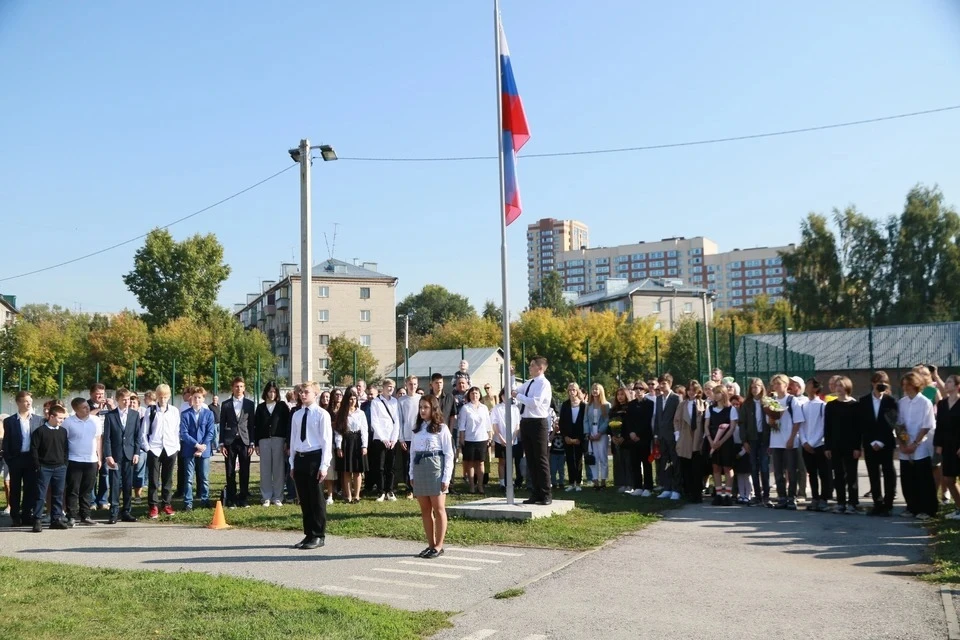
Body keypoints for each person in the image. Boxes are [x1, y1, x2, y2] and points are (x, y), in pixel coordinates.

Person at [289, 381, 333, 550]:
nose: (302, 394)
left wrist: (324, 465)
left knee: (316, 499)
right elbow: (293, 440)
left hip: (314, 457)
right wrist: (292, 462)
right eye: (301, 392)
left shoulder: (322, 414)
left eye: (306, 392)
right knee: (305, 499)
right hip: (300, 458)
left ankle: (318, 534)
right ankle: (308, 533)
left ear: (316, 394)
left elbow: (326, 441)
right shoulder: (297, 415)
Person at [410, 394, 454, 559]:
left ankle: (439, 545)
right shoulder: (417, 429)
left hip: (435, 467)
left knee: (438, 508)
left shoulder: (442, 428)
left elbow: (449, 454)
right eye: (420, 407)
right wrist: (411, 473)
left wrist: (446, 478)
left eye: (425, 407)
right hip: (420, 468)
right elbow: (412, 453)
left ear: (433, 408)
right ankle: (430, 544)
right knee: (425, 509)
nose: (422, 410)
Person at [513, 356, 553, 505]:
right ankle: (535, 492)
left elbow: (535, 403)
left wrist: (518, 396)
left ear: (540, 368)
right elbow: (515, 391)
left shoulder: (544, 384)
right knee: (530, 459)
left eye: (531, 366)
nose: (529, 368)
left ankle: (546, 493)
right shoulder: (529, 383)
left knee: (541, 459)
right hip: (526, 422)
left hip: (538, 423)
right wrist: (511, 377)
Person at [897, 372, 937, 520]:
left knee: (923, 479)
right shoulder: (902, 402)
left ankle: (927, 509)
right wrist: (903, 444)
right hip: (906, 446)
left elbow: (926, 426)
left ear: (915, 385)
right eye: (904, 385)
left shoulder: (925, 402)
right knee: (907, 478)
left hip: (920, 446)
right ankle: (911, 507)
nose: (905, 387)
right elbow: (900, 424)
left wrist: (915, 444)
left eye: (908, 384)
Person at [859, 371, 898, 516]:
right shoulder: (863, 401)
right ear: (872, 383)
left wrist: (881, 441)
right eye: (877, 382)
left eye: (883, 382)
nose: (880, 385)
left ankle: (888, 504)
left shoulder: (891, 400)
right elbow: (862, 424)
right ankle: (877, 503)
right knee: (873, 473)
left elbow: (891, 422)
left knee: (888, 472)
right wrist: (871, 441)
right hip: (870, 444)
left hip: (886, 443)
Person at [2, 391, 44, 526]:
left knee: (30, 488)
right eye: (26, 401)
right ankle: (15, 516)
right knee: (15, 488)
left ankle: (27, 515)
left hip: (31, 458)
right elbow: (7, 441)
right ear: (18, 402)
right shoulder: (10, 421)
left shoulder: (38, 420)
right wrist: (9, 458)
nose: (29, 403)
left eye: (30, 401)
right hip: (16, 458)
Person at [102, 388, 142, 523]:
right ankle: (113, 512)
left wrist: (137, 452)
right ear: (117, 400)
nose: (127, 402)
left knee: (127, 483)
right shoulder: (110, 416)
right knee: (114, 484)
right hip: (115, 455)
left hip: (129, 454)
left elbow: (138, 436)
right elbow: (106, 438)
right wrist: (108, 455)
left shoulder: (134, 415)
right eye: (124, 399)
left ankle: (126, 511)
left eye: (129, 399)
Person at [142, 384, 180, 518]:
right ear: (157, 397)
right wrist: (148, 448)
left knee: (167, 478)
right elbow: (144, 431)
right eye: (160, 397)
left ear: (169, 396)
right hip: (155, 448)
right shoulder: (151, 411)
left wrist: (176, 447)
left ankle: (167, 504)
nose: (163, 399)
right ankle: (153, 506)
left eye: (165, 396)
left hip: (170, 448)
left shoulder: (174, 411)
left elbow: (176, 430)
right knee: (153, 479)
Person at [30, 404, 70, 532]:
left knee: (58, 494)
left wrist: (64, 463)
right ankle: (37, 519)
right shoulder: (40, 431)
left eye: (63, 418)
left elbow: (65, 449)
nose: (62, 421)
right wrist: (38, 466)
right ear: (51, 416)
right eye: (60, 418)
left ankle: (56, 519)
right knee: (40, 495)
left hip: (60, 467)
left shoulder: (63, 431)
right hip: (44, 468)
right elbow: (34, 449)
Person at [63, 397, 103, 526]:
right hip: (74, 459)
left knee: (87, 489)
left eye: (87, 406)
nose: (88, 409)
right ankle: (72, 516)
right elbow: (64, 441)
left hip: (91, 460)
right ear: (76, 410)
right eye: (84, 408)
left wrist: (99, 458)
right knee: (73, 489)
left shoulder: (95, 421)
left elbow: (98, 440)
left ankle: (85, 515)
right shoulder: (68, 422)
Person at [219, 377, 256, 508]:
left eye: (241, 386)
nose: (238, 389)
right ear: (232, 388)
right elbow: (222, 424)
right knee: (230, 470)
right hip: (230, 441)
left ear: (244, 388)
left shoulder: (250, 404)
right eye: (236, 386)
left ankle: (243, 498)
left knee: (245, 470)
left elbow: (252, 425)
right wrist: (221, 443)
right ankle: (231, 498)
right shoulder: (226, 404)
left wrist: (252, 442)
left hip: (244, 441)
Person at [254, 381, 291, 507]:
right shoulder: (260, 407)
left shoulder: (282, 406)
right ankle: (266, 497)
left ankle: (278, 496)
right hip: (263, 440)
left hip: (279, 440)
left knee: (278, 469)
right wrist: (256, 443)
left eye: (274, 391)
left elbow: (287, 424)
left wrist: (287, 441)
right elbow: (256, 426)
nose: (272, 394)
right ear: (266, 392)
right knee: (265, 469)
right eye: (270, 391)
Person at [797, 378, 831, 512]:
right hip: (807, 445)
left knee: (823, 473)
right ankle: (815, 498)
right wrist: (804, 442)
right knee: (812, 473)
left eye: (809, 385)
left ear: (816, 388)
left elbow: (824, 427)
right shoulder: (803, 405)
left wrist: (813, 442)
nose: (806, 387)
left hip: (819, 445)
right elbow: (801, 425)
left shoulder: (822, 405)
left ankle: (824, 498)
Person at [768, 374, 801, 510]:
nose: (776, 386)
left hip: (789, 441)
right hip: (776, 441)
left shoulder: (792, 400)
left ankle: (792, 497)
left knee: (792, 470)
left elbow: (797, 422)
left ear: (786, 385)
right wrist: (772, 419)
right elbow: (770, 422)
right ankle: (781, 497)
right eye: (774, 384)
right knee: (778, 471)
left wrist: (792, 438)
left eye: (779, 383)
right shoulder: (772, 401)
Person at [179, 386, 216, 512]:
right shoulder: (185, 414)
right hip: (189, 449)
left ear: (203, 399)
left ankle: (205, 500)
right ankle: (188, 502)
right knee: (189, 478)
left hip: (204, 451)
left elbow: (210, 432)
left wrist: (203, 447)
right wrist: (196, 445)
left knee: (204, 477)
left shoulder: (209, 414)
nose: (197, 400)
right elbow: (184, 433)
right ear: (191, 398)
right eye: (195, 397)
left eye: (199, 397)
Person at [333, 386, 368, 504]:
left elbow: (364, 430)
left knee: (357, 471)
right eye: (350, 399)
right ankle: (348, 496)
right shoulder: (341, 414)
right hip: (346, 442)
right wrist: (338, 446)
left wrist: (364, 445)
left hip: (357, 441)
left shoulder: (361, 413)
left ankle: (357, 495)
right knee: (346, 471)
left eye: (354, 399)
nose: (352, 401)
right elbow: (338, 431)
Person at [740, 379, 770, 506]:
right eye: (752, 387)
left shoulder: (767, 402)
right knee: (753, 467)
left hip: (764, 438)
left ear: (762, 387)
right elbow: (742, 424)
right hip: (752, 438)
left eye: (757, 386)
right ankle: (757, 495)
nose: (754, 389)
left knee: (764, 466)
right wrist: (744, 441)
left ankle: (766, 495)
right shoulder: (746, 404)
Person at [457, 386, 493, 495]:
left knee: (481, 463)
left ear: (479, 395)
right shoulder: (465, 408)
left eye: (476, 393)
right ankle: (472, 486)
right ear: (469, 395)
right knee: (471, 463)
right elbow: (462, 425)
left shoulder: (484, 408)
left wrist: (490, 436)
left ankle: (480, 486)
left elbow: (488, 423)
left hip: (482, 438)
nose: (474, 395)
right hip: (469, 439)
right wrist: (462, 438)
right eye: (472, 393)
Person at [369, 379, 401, 501]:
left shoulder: (395, 402)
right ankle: (381, 491)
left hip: (392, 439)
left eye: (392, 387)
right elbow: (375, 422)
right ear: (383, 387)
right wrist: (383, 438)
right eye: (388, 386)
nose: (390, 389)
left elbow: (397, 421)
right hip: (380, 439)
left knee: (391, 466)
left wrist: (393, 439)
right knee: (380, 467)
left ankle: (390, 490)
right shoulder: (376, 402)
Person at [675, 381, 707, 503]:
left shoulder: (703, 404)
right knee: (686, 467)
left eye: (694, 390)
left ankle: (697, 493)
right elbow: (676, 421)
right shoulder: (682, 405)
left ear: (698, 391)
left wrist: (703, 436)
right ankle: (688, 492)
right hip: (685, 439)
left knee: (697, 468)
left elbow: (706, 421)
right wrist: (677, 436)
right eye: (689, 390)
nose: (691, 392)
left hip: (698, 439)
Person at [706, 385, 737, 505]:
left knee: (727, 467)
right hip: (713, 441)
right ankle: (718, 494)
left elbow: (732, 428)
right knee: (716, 467)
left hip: (726, 442)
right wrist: (711, 441)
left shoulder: (731, 409)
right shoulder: (710, 409)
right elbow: (706, 426)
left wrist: (721, 441)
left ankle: (728, 495)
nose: (714, 395)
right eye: (714, 393)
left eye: (717, 393)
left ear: (723, 394)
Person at [936, 374, 960, 520]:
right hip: (947, 447)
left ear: (958, 386)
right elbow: (939, 426)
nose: (946, 384)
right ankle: (958, 508)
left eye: (950, 382)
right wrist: (938, 445)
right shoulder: (942, 404)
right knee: (948, 480)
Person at [87, 383, 114, 511]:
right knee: (92, 472)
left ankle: (103, 500)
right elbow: (86, 416)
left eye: (102, 394)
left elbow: (116, 416)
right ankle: (91, 501)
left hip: (106, 440)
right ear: (91, 393)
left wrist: (112, 406)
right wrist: (98, 408)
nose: (100, 396)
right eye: (98, 393)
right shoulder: (86, 405)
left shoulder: (108, 406)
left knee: (105, 472)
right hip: (92, 440)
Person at [626, 382, 655, 497]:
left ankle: (648, 487)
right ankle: (637, 486)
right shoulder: (631, 404)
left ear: (645, 390)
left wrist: (638, 433)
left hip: (644, 437)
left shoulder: (649, 403)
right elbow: (628, 420)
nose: (638, 391)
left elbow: (647, 420)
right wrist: (631, 433)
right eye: (636, 389)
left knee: (646, 462)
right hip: (633, 438)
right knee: (635, 463)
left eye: (640, 388)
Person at [491, 390, 522, 490]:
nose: (506, 397)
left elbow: (517, 425)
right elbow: (495, 424)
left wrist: (512, 439)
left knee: (510, 461)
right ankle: (502, 483)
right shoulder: (497, 408)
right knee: (502, 461)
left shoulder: (515, 409)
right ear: (501, 396)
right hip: (500, 439)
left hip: (513, 440)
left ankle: (510, 481)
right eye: (504, 395)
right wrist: (501, 438)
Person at [559, 382, 586, 493]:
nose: (571, 392)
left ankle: (578, 482)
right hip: (568, 436)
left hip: (579, 436)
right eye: (569, 390)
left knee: (578, 460)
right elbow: (562, 422)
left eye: (574, 389)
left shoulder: (583, 405)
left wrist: (579, 438)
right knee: (569, 459)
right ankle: (571, 483)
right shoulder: (565, 405)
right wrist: (565, 436)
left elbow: (585, 422)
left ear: (577, 391)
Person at [398, 376, 421, 499]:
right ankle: (409, 488)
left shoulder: (421, 399)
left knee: (418, 463)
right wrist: (401, 438)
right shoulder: (401, 401)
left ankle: (419, 488)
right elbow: (399, 421)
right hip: (407, 437)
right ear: (406, 385)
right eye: (410, 384)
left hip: (419, 437)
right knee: (407, 463)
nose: (413, 386)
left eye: (415, 384)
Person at [586, 383, 611, 490]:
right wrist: (588, 433)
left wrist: (600, 432)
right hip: (591, 432)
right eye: (593, 389)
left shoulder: (606, 405)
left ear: (601, 391)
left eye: (596, 389)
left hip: (602, 433)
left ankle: (603, 481)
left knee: (603, 457)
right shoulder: (588, 405)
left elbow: (607, 420)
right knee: (593, 457)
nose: (594, 391)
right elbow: (585, 420)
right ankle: (595, 481)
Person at [610, 387, 633, 494]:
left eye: (622, 394)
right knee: (619, 462)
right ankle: (622, 483)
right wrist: (613, 436)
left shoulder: (630, 408)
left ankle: (630, 484)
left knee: (628, 462)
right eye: (618, 394)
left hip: (627, 440)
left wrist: (624, 436)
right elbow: (609, 425)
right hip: (616, 440)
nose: (620, 397)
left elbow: (631, 425)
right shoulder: (613, 410)